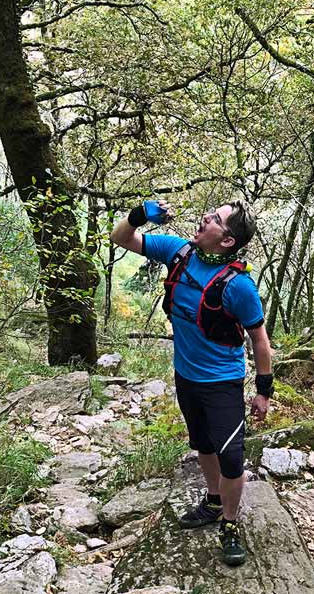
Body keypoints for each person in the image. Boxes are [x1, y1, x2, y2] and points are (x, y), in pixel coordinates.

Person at [110, 198, 273, 566]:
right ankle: (214, 501)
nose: (204, 217)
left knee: (232, 458)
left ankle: (230, 524)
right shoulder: (178, 253)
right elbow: (121, 238)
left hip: (223, 382)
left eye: (214, 218)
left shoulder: (239, 287)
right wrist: (139, 214)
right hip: (186, 376)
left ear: (227, 240)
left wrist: (264, 391)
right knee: (202, 444)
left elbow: (260, 341)